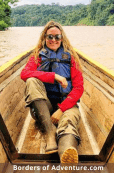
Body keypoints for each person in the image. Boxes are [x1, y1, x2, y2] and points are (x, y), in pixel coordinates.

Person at [20, 21, 84, 163]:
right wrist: (54, 76)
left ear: (62, 38)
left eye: (57, 37)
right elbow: (24, 74)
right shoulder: (37, 56)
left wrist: (61, 109)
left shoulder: (71, 57)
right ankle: (50, 133)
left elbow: (79, 88)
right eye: (50, 37)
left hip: (66, 105)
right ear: (44, 38)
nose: (53, 40)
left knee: (68, 123)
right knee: (31, 80)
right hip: (44, 107)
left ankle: (66, 159)